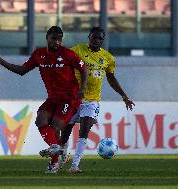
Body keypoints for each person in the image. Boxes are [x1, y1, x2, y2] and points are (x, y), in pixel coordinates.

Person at [0, 26, 88, 174]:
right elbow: (22, 71)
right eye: (54, 38)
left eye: (60, 39)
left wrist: (82, 89)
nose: (57, 41)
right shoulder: (39, 54)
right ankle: (58, 151)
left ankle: (54, 163)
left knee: (55, 126)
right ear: (47, 38)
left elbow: (83, 70)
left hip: (69, 98)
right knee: (40, 120)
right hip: (53, 98)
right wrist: (2, 62)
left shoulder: (68, 54)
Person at [58, 27, 135, 173]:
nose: (97, 41)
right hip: (73, 99)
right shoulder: (77, 50)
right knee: (66, 130)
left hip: (92, 101)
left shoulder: (108, 58)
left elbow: (111, 79)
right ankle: (63, 156)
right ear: (89, 37)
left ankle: (75, 165)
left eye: (100, 38)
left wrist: (124, 95)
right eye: (95, 38)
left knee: (84, 131)